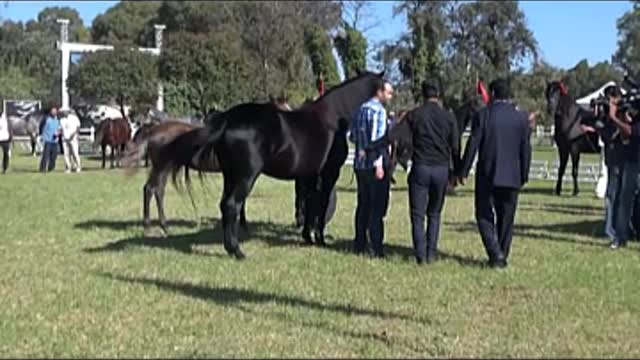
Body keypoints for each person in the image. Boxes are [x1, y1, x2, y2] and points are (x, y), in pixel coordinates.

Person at [455, 78, 534, 268]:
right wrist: (524, 174)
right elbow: (526, 149)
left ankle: (495, 253)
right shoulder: (521, 118)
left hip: (488, 174)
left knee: (483, 214)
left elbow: (473, 144)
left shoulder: (484, 115)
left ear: (493, 94)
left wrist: (463, 171)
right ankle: (501, 254)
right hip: (513, 175)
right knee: (507, 218)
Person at [401, 82, 460, 264]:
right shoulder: (448, 117)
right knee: (434, 213)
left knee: (417, 214)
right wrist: (456, 172)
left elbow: (401, 137)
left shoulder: (415, 115)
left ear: (422, 94)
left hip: (421, 166)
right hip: (441, 169)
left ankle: (420, 254)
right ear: (439, 94)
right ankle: (431, 252)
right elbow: (456, 147)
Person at [349, 78, 394, 258]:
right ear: (380, 91)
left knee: (362, 205)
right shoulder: (379, 112)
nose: (390, 97)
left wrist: (361, 147)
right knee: (377, 208)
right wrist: (378, 165)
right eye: (389, 93)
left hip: (360, 165)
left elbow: (352, 136)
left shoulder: (360, 109)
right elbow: (378, 140)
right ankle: (376, 247)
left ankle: (359, 243)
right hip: (374, 165)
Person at [606, 95, 639, 249]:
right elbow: (626, 133)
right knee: (624, 201)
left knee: (626, 200)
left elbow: (631, 131)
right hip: (632, 161)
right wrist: (622, 116)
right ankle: (621, 237)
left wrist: (613, 117)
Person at [599, 85, 627, 241]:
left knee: (617, 195)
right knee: (612, 194)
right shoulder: (608, 117)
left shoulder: (621, 114)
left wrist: (614, 115)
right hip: (613, 160)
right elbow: (606, 136)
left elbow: (615, 134)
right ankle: (611, 227)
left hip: (622, 160)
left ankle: (615, 227)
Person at [39, 106, 62, 173]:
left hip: (55, 141)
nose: (54, 112)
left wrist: (58, 133)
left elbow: (60, 129)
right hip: (47, 140)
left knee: (54, 156)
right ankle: (42, 169)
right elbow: (41, 127)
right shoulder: (46, 119)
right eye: (52, 111)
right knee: (46, 155)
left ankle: (51, 168)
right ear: (50, 112)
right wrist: (41, 136)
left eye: (55, 111)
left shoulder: (58, 120)